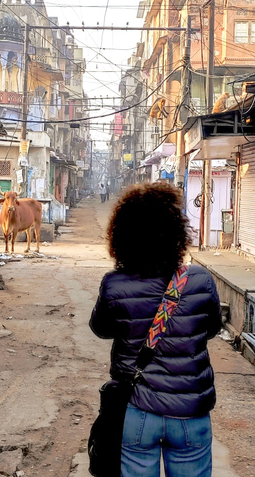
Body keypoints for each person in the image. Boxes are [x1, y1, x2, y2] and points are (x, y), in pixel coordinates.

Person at [90, 182, 222, 477]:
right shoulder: (200, 280)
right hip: (192, 413)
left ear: (121, 235)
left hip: (138, 412)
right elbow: (211, 329)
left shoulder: (114, 284)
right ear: (177, 232)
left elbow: (101, 329)